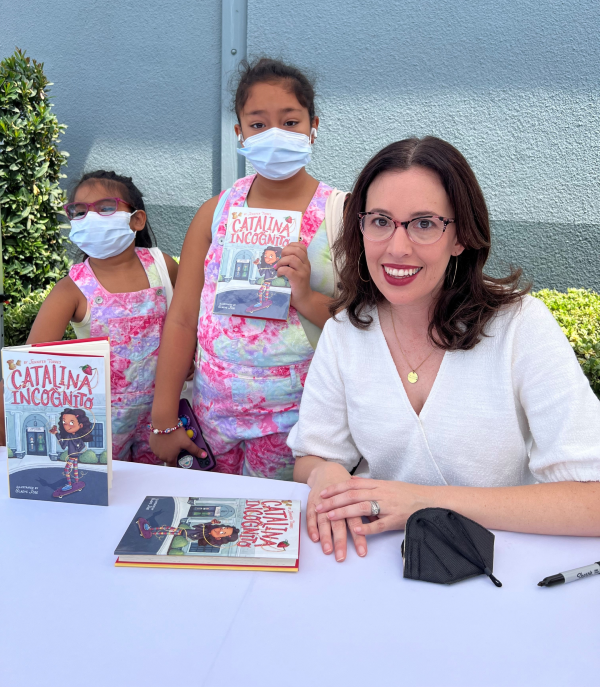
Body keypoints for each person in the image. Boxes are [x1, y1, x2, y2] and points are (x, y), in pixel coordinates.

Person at [288, 136, 600, 562]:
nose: (397, 247)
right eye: (380, 220)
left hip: (501, 572)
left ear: (460, 236)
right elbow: (314, 456)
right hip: (375, 567)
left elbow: (592, 501)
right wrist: (324, 472)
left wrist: (422, 502)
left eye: (424, 223)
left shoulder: (520, 327)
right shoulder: (346, 330)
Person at [150, 58, 347, 479]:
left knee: (278, 528)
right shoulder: (215, 213)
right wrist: (163, 417)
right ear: (239, 133)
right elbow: (183, 317)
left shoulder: (341, 216)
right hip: (211, 418)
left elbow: (365, 323)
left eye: (291, 122)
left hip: (296, 423)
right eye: (258, 125)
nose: (275, 134)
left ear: (314, 126)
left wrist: (307, 297)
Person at [23, 170, 180, 464]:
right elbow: (30, 365)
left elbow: (189, 322)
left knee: (161, 487)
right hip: (99, 423)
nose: (91, 218)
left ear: (137, 220)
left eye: (106, 207)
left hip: (165, 413)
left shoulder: (163, 266)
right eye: (79, 211)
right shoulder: (70, 290)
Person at [49, 407, 94, 498]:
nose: (67, 425)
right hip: (74, 457)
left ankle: (70, 484)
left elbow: (82, 446)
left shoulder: (77, 437)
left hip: (73, 457)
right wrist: (57, 434)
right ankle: (76, 482)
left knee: (67, 470)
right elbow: (63, 446)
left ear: (80, 425)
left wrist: (77, 450)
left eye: (71, 422)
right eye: (65, 422)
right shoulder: (69, 436)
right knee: (75, 470)